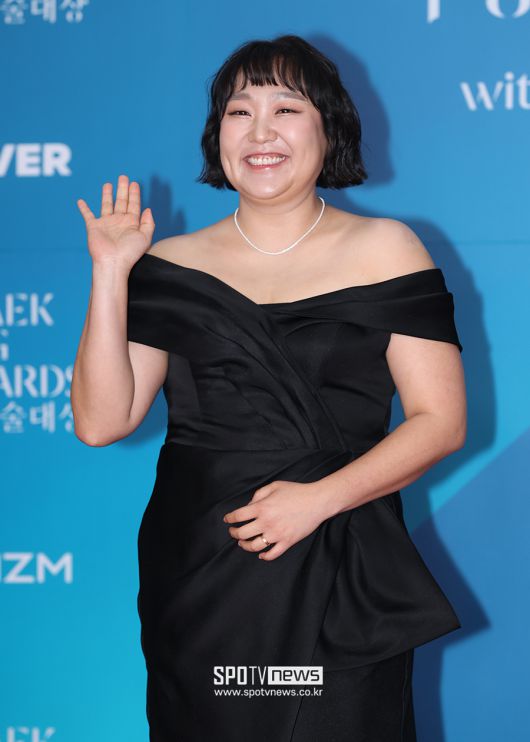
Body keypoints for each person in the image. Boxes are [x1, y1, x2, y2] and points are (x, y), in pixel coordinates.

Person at [71, 34, 466, 742]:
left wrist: (317, 502)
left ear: (328, 129)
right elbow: (102, 422)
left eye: (286, 109)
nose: (259, 132)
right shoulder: (169, 266)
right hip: (204, 572)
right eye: (239, 111)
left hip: (338, 566)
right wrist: (111, 274)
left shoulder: (387, 249)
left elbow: (440, 422)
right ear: (217, 134)